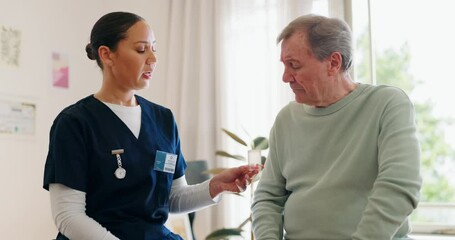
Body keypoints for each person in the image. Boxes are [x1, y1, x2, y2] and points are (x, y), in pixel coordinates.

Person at [42, 11, 259, 240]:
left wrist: (216, 186)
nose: (152, 59)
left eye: (154, 49)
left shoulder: (163, 120)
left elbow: (172, 198)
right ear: (106, 55)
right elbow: (68, 216)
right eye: (141, 49)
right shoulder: (75, 123)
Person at [251, 14, 421, 240]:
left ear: (333, 63)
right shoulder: (286, 119)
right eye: (284, 65)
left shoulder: (387, 104)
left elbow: (400, 187)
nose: (285, 77)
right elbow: (267, 198)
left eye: (294, 65)